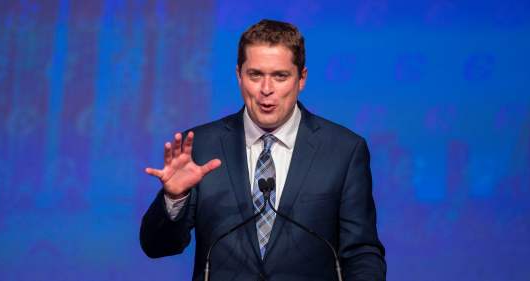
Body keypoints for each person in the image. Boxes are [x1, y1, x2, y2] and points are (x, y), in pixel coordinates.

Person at [140, 19, 386, 281]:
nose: (266, 90)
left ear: (301, 78)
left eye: (280, 76)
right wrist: (175, 198)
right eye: (255, 75)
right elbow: (158, 247)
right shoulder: (201, 145)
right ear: (239, 75)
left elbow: (361, 253)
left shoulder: (344, 150)